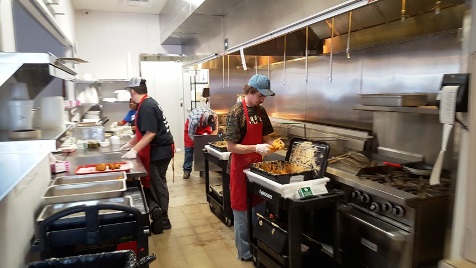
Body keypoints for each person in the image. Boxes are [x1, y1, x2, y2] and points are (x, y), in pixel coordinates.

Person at [225, 73, 278, 261]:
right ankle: (246, 254)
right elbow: (231, 146)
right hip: (240, 171)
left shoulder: (261, 111)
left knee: (258, 208)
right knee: (242, 212)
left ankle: (259, 249)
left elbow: (266, 136)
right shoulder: (236, 112)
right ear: (250, 91)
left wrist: (274, 145)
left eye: (264, 96)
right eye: (260, 95)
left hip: (257, 169)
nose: (263, 99)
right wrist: (255, 147)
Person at [120, 77, 175, 234]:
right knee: (156, 183)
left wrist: (134, 150)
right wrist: (130, 144)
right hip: (159, 149)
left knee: (158, 184)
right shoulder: (147, 103)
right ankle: (157, 210)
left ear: (132, 91)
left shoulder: (146, 106)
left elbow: (150, 134)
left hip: (159, 151)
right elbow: (143, 132)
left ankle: (164, 219)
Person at [182, 107, 218, 179]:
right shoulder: (194, 120)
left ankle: (203, 170)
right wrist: (198, 144)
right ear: (204, 121)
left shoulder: (214, 116)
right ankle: (187, 170)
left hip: (203, 129)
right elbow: (191, 134)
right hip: (191, 131)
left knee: (203, 150)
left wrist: (209, 140)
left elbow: (215, 129)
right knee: (189, 149)